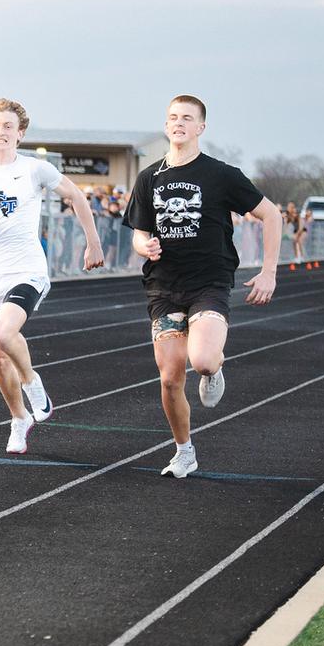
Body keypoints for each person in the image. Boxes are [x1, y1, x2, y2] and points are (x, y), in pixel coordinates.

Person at [122, 95, 281, 479]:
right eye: (173, 117)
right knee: (170, 378)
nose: (178, 123)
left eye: (187, 118)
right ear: (166, 126)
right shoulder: (149, 178)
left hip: (209, 282)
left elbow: (271, 214)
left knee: (204, 360)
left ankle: (214, 370)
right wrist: (144, 245)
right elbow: (139, 233)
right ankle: (184, 451)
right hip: (163, 286)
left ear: (200, 128)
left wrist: (269, 272)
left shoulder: (221, 175)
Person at [0, 98, 105, 455]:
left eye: (8, 126)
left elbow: (76, 196)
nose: (1, 132)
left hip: (27, 269)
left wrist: (93, 242)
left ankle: (32, 382)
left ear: (20, 133)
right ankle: (18, 418)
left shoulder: (35, 169)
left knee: (3, 331)